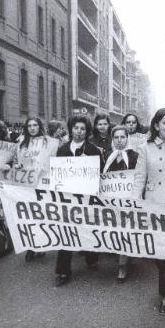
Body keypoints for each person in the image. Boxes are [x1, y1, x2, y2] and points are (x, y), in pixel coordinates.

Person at [132, 108, 165, 314]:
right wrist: (135, 202)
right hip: (153, 204)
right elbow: (139, 177)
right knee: (157, 250)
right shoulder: (146, 148)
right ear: (156, 126)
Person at [54, 116, 104, 287]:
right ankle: (63, 271)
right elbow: (57, 174)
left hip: (87, 196)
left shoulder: (93, 150)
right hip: (67, 197)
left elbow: (100, 174)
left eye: (83, 129)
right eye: (76, 128)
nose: (79, 132)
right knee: (66, 231)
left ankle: (91, 258)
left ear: (87, 131)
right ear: (71, 129)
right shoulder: (62, 150)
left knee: (88, 227)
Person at [14, 117, 57, 262]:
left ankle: (40, 245)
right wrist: (17, 166)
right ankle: (30, 246)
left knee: (40, 214)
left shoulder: (48, 142)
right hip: (26, 182)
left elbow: (54, 160)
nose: (32, 128)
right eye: (30, 125)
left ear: (40, 126)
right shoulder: (21, 142)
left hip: (42, 182)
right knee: (27, 215)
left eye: (35, 125)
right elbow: (17, 160)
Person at [103, 125, 139, 282]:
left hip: (128, 200)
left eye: (122, 137)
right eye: (116, 137)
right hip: (111, 200)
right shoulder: (107, 155)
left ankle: (122, 266)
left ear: (127, 138)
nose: (119, 141)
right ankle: (124, 257)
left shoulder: (135, 156)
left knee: (125, 230)